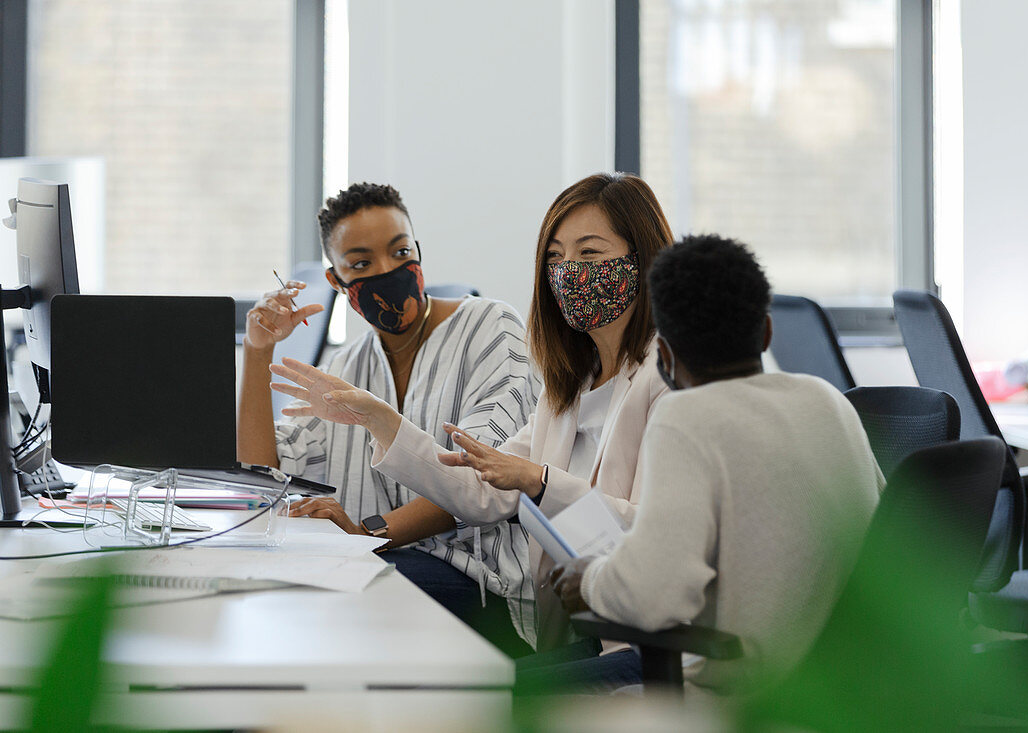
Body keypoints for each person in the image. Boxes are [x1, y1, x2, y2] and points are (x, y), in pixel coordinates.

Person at [268, 172, 673, 675]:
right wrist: (379, 419)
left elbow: (665, 539)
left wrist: (543, 484)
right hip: (587, 631)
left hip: (655, 647)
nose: (569, 273)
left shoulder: (669, 379)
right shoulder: (570, 384)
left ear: (643, 258)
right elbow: (484, 490)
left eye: (589, 256)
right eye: (555, 258)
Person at [549, 234, 885, 695]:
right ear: (766, 332)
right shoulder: (829, 402)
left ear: (664, 356)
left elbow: (653, 596)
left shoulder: (687, 418)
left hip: (739, 693)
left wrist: (588, 579)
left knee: (503, 694)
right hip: (841, 686)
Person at [237, 182, 538, 656]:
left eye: (400, 252)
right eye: (360, 264)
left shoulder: (491, 327)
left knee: (309, 611)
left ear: (418, 251)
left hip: (479, 582)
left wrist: (368, 533)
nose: (386, 271)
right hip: (376, 566)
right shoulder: (348, 366)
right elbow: (262, 474)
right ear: (336, 281)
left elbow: (479, 477)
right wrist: (258, 353)